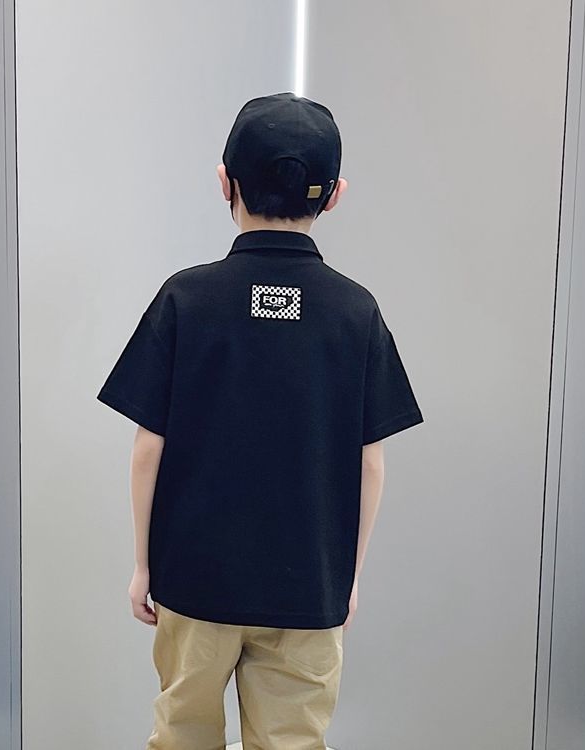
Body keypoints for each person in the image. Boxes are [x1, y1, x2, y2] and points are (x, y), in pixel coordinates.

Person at [97, 92, 424, 749]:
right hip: (308, 588)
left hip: (194, 581)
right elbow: (370, 463)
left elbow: (147, 449)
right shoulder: (356, 312)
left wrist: (142, 565)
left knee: (182, 734)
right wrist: (347, 576)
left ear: (226, 183)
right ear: (334, 196)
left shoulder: (185, 298)